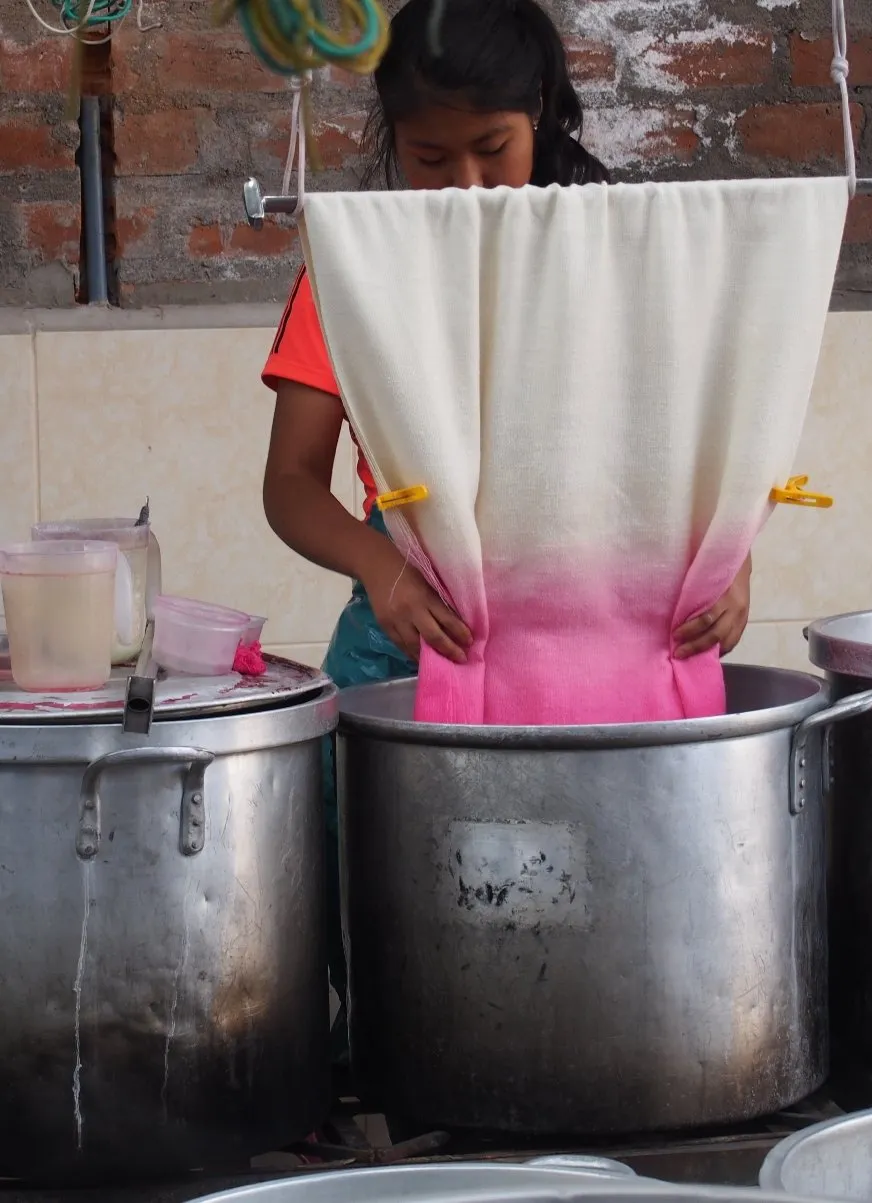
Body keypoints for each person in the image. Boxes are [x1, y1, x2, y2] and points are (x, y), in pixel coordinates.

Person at [260, 0, 753, 1039]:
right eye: (432, 159)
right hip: (408, 648)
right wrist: (381, 568)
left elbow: (695, 446)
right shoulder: (355, 277)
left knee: (607, 959)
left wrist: (730, 558)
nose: (468, 188)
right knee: (408, 957)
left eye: (494, 151)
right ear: (392, 142)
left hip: (602, 657)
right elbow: (293, 484)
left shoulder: (617, 260)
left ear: (539, 115)